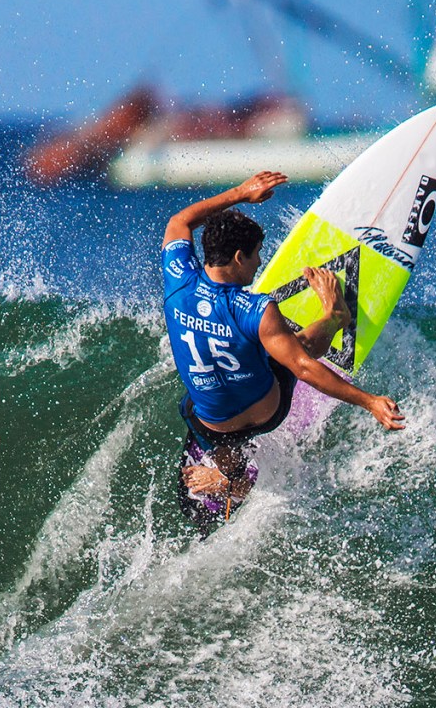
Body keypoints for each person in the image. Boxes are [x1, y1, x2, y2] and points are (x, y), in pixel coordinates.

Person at [162, 170, 405, 535]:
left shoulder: (177, 275)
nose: (260, 263)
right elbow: (306, 368)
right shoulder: (255, 310)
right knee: (296, 348)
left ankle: (227, 475)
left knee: (201, 411)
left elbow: (180, 221)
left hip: (210, 424)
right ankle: (335, 315)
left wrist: (241, 193)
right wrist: (368, 401)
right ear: (239, 256)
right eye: (257, 255)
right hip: (267, 412)